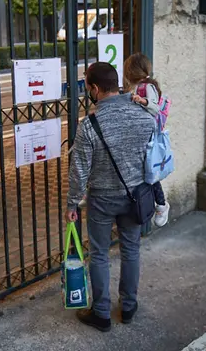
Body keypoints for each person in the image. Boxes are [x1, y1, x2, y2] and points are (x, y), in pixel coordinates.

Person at [66, 62, 155, 331]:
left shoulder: (90, 125)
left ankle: (102, 313)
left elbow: (79, 171)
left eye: (87, 85)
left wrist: (72, 202)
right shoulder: (143, 115)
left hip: (102, 199)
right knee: (131, 250)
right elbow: (153, 147)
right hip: (136, 195)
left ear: (94, 88)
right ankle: (128, 307)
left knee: (100, 254)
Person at [123, 53, 170, 227]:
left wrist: (142, 101)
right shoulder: (139, 86)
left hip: (147, 140)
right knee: (147, 174)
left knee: (151, 174)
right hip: (140, 138)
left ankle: (161, 204)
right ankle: (157, 204)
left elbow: (155, 108)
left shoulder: (146, 87)